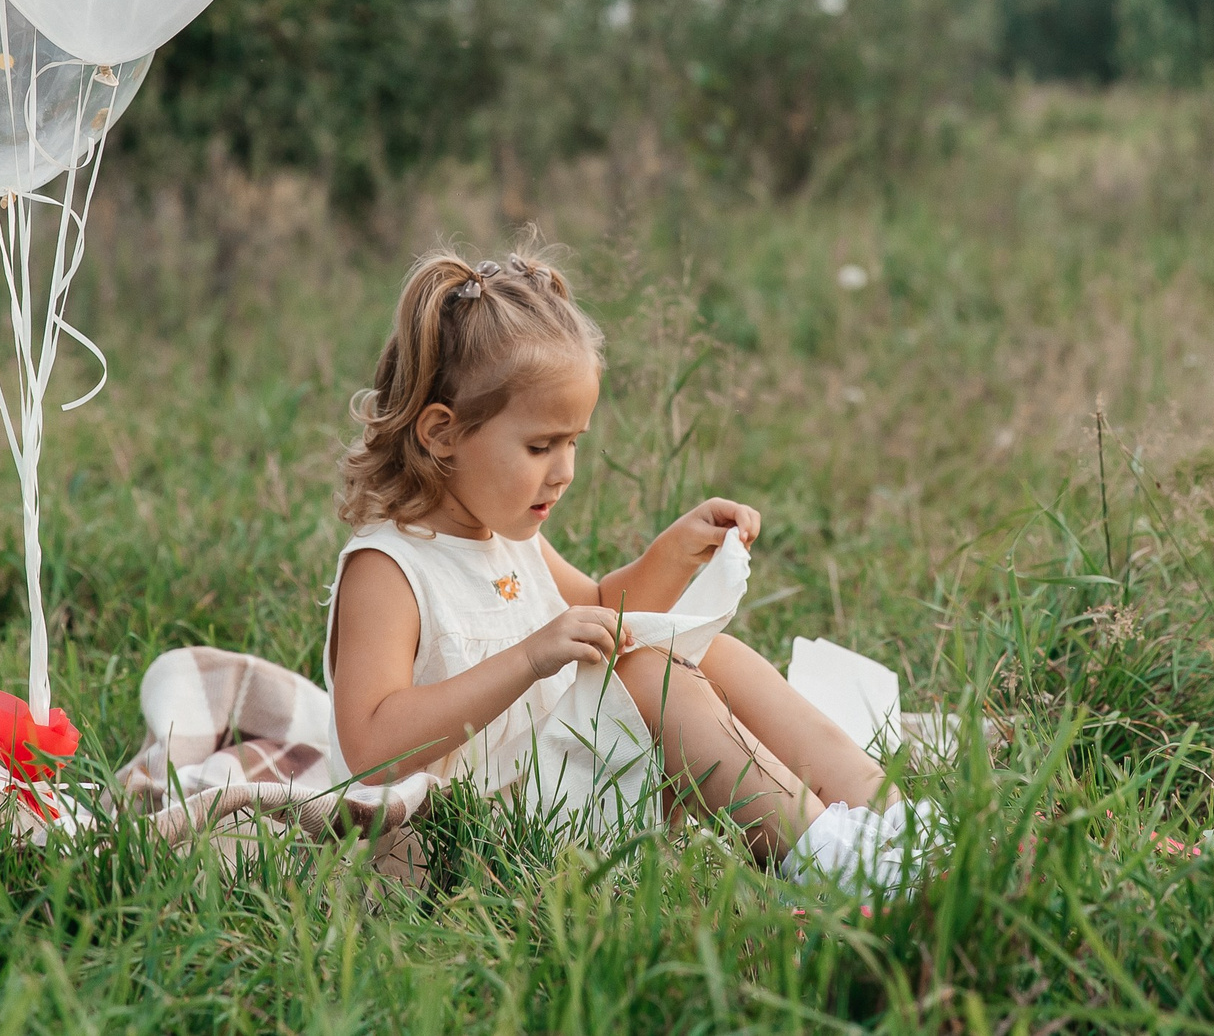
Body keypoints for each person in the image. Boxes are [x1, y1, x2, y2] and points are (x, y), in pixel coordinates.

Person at [323, 241, 930, 880]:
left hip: (548, 793)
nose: (564, 473)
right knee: (650, 675)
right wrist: (530, 659)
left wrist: (672, 554)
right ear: (442, 434)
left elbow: (598, 616)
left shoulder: (509, 538)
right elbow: (371, 748)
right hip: (465, 841)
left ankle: (894, 820)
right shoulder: (389, 569)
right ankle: (832, 860)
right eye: (539, 447)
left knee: (698, 653)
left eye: (573, 443)